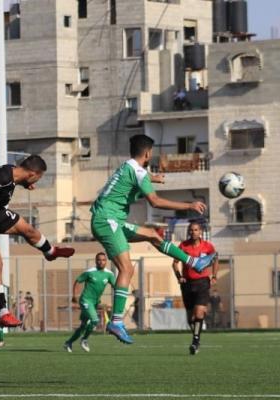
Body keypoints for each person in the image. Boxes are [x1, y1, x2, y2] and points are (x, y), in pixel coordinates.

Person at [90, 134, 214, 344]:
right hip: (107, 221)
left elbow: (131, 187)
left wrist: (151, 178)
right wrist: (189, 205)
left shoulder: (127, 168)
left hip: (109, 219)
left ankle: (194, 262)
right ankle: (116, 322)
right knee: (126, 269)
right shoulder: (138, 172)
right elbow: (155, 202)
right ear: (147, 154)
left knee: (153, 235)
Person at [0, 155, 75, 328]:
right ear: (32, 174)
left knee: (29, 230)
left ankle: (51, 252)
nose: (36, 182)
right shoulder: (3, 177)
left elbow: (13, 183)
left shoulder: (13, 173)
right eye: (37, 178)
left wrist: (26, 184)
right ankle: (3, 313)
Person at [171, 221, 218, 355]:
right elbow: (174, 263)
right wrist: (179, 276)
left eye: (196, 230)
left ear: (200, 231)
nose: (193, 232)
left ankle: (195, 342)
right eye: (191, 230)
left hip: (202, 283)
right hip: (187, 283)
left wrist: (214, 276)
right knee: (190, 319)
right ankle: (196, 338)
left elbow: (215, 259)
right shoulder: (183, 246)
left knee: (199, 312)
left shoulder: (208, 246)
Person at [64, 252, 115, 353]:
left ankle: (68, 343)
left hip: (95, 302)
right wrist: (74, 296)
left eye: (103, 260)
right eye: (99, 260)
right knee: (95, 320)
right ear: (96, 261)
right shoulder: (90, 272)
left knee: (83, 326)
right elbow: (77, 281)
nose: (101, 262)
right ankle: (84, 340)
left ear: (106, 261)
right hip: (85, 300)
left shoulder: (109, 274)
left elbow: (116, 286)